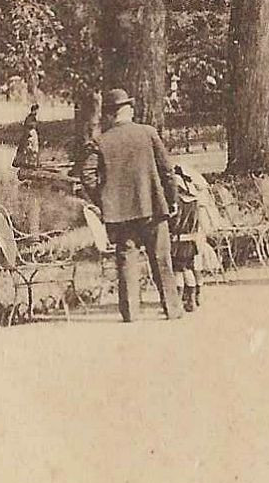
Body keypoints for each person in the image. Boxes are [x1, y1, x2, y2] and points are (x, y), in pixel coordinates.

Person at [80, 88, 183, 321]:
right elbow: (167, 171)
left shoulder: (101, 141)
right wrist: (172, 200)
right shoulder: (148, 133)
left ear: (110, 114)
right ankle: (173, 309)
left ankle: (130, 313)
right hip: (154, 208)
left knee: (127, 260)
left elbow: (86, 175)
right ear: (128, 110)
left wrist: (105, 198)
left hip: (120, 213)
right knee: (161, 259)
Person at [169, 163, 212, 311]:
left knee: (178, 271)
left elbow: (172, 223)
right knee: (190, 268)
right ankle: (193, 298)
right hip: (192, 240)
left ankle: (180, 299)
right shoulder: (194, 202)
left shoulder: (175, 205)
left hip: (178, 242)